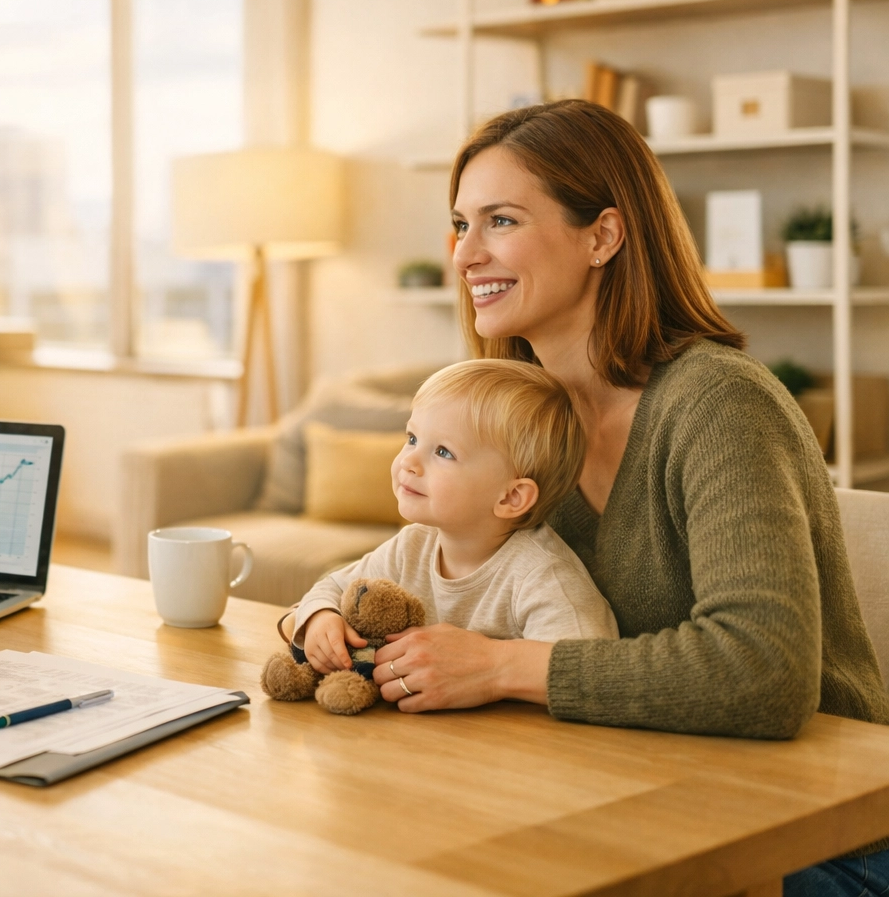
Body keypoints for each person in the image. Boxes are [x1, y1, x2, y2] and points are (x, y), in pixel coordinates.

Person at [362, 99, 889, 894]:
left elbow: (764, 670)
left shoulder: (718, 403)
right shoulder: (518, 426)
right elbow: (437, 572)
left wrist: (504, 668)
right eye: (460, 224)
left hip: (820, 836)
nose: (466, 253)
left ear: (603, 235)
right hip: (638, 796)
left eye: (500, 221)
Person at [296, 359, 617, 678]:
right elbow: (332, 587)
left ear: (510, 497)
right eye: (412, 439)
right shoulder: (413, 544)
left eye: (443, 452)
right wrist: (321, 617)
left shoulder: (542, 577)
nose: (409, 462)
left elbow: (588, 669)